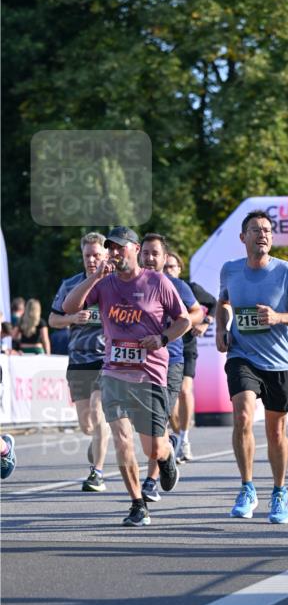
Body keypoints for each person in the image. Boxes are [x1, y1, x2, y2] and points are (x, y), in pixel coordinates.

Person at [62, 225, 190, 526]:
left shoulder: (158, 282)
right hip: (114, 374)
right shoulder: (104, 284)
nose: (115, 252)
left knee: (152, 448)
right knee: (121, 440)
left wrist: (162, 339)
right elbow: (69, 307)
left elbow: (183, 320)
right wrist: (95, 276)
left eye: (120, 247)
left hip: (150, 375)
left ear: (135, 248)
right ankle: (137, 504)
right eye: (112, 247)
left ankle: (166, 450)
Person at [216, 211, 288, 524]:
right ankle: (247, 487)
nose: (261, 234)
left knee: (276, 431)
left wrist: (279, 317)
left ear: (272, 238)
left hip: (278, 361)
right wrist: (222, 328)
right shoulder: (230, 270)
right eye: (255, 230)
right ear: (242, 238)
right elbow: (223, 302)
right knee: (243, 415)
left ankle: (279, 491)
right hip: (242, 355)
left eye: (266, 230)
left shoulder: (286, 271)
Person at [139, 234, 204, 502]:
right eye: (146, 253)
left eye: (156, 253)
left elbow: (196, 312)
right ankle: (169, 447)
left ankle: (151, 481)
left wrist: (175, 329)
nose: (150, 258)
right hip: (137, 363)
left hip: (170, 361)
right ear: (139, 255)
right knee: (145, 424)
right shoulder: (129, 285)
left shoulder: (177, 285)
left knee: (158, 420)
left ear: (165, 258)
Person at [49, 232, 111, 492]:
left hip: (105, 360)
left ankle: (97, 473)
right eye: (88, 255)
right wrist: (72, 318)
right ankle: (98, 439)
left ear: (106, 255)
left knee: (98, 414)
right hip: (78, 361)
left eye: (97, 254)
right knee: (87, 425)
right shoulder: (70, 285)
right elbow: (53, 320)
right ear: (82, 257)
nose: (92, 259)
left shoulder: (115, 285)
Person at [164, 251, 217, 463]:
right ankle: (177, 436)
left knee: (185, 391)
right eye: (165, 266)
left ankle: (184, 437)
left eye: (172, 267)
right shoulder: (156, 286)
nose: (168, 270)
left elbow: (213, 303)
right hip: (165, 347)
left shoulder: (189, 288)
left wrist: (205, 323)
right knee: (170, 404)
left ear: (179, 269)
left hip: (186, 346)